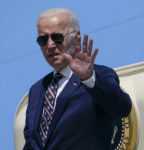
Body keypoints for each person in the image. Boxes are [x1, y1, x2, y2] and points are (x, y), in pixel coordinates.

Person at [23, 8, 132, 150]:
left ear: (76, 37)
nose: (50, 45)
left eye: (57, 37)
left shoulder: (99, 76)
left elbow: (122, 108)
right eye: (43, 39)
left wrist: (88, 78)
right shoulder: (37, 89)